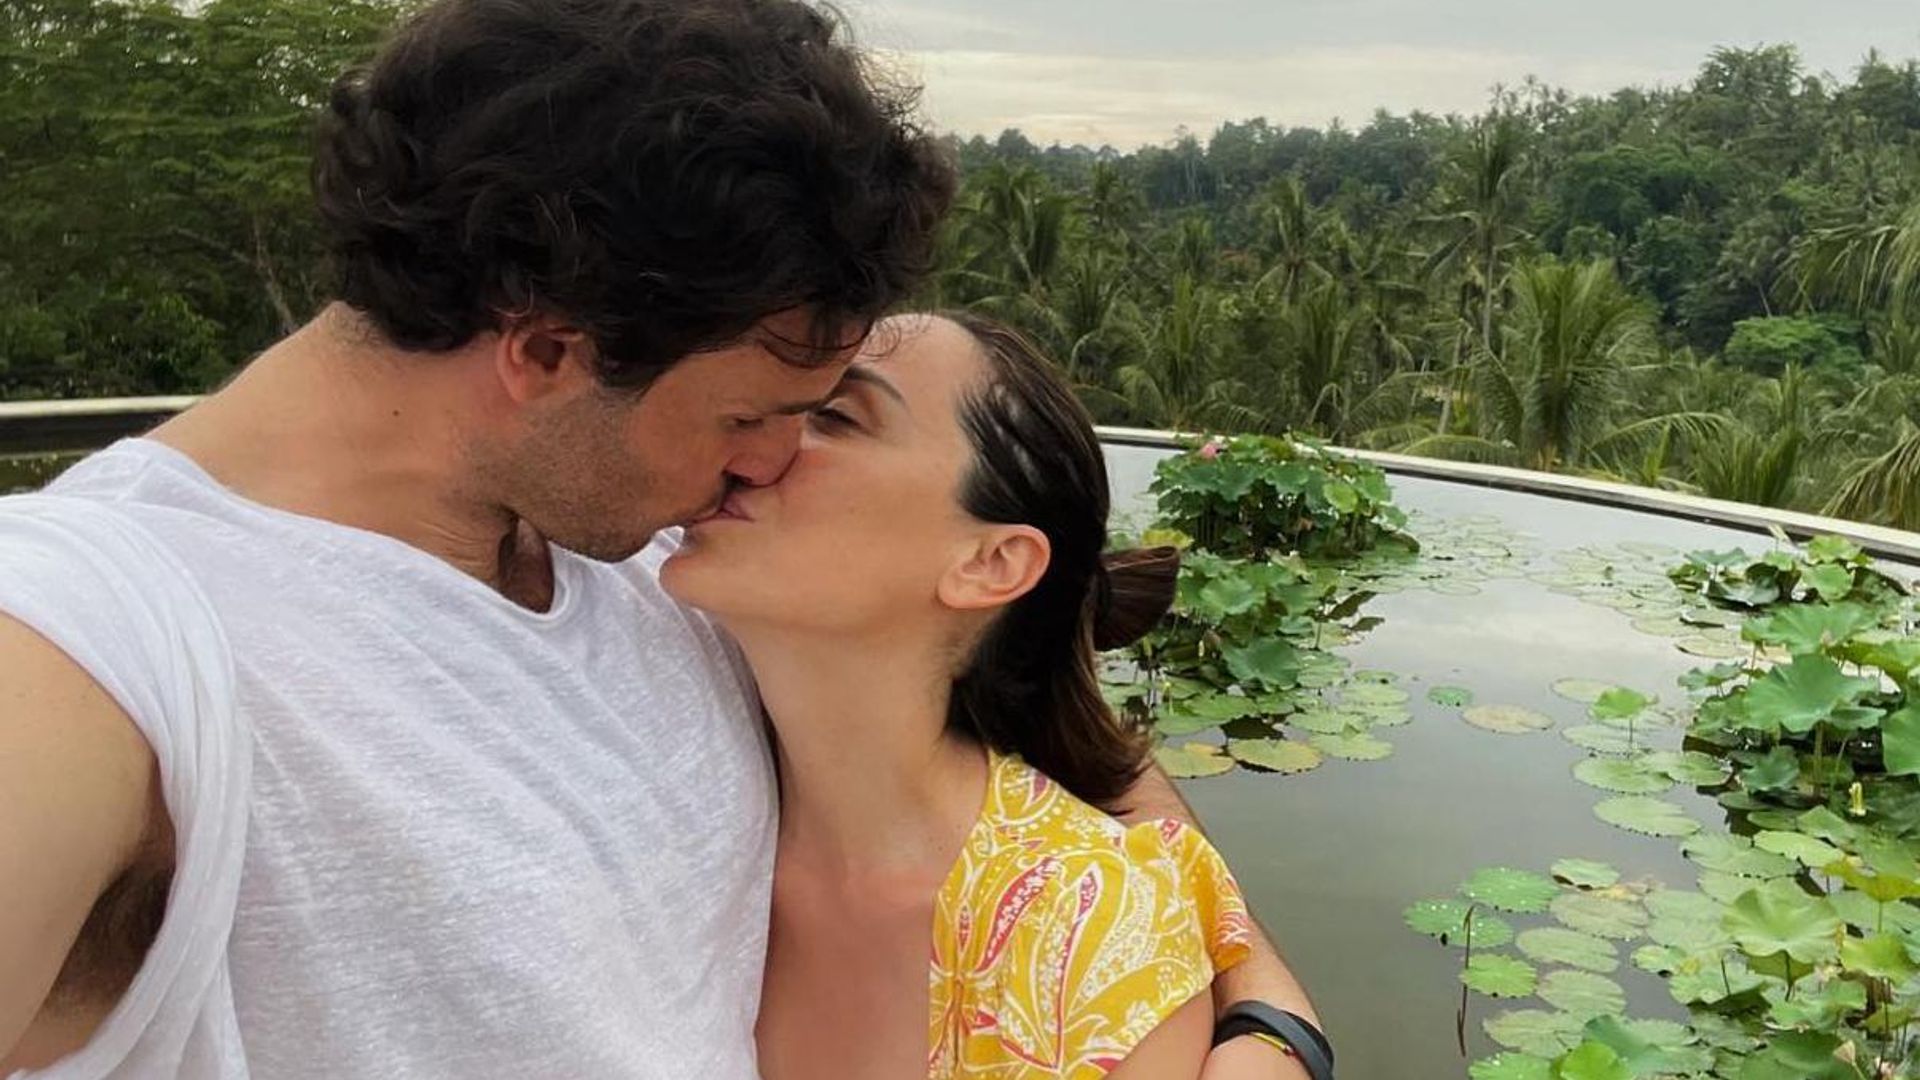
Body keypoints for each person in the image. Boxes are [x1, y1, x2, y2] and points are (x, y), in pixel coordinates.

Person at [0, 0, 1319, 1077]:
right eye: (751, 415)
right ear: (547, 352)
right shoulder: (96, 642)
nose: (770, 463)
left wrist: (1263, 1013)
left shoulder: (654, 554)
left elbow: (1060, 755)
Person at [658, 311, 1324, 1079]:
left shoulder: (1088, 949)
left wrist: (1281, 1037)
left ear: (991, 563)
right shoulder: (681, 821)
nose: (760, 437)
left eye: (834, 415)